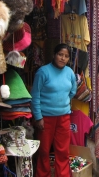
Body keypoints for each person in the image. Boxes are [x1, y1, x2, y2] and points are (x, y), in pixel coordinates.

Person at [31, 43, 77, 177]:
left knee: (62, 150)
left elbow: (73, 91)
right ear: (54, 55)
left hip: (64, 117)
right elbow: (35, 95)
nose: (63, 58)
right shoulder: (43, 72)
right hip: (45, 118)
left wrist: (64, 102)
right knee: (44, 150)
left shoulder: (69, 72)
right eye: (60, 55)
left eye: (66, 56)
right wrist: (38, 117)